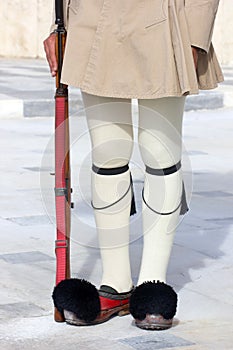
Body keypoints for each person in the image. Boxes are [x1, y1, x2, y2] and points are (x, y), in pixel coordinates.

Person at [44, 0, 223, 330]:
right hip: (91, 19)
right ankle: (116, 285)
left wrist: (197, 35)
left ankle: (152, 285)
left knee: (161, 158)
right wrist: (59, 25)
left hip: (166, 20)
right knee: (107, 156)